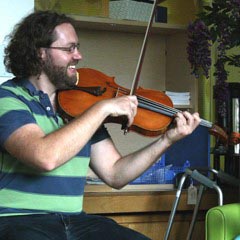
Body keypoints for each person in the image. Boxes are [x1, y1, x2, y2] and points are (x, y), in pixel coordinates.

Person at [0, 11, 200, 240]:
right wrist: (102, 108)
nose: (78, 55)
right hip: (18, 220)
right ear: (41, 53)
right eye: (69, 49)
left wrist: (166, 140)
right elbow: (44, 157)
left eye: (78, 47)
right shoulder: (9, 98)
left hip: (75, 221)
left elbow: (116, 174)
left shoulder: (78, 109)